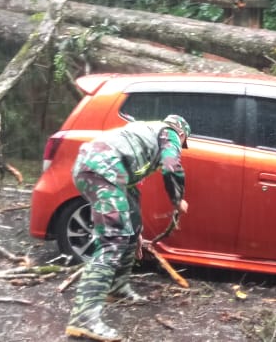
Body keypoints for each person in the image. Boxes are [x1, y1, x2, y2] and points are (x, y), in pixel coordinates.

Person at [65, 114, 191, 342]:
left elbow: (131, 191)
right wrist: (177, 199)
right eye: (182, 143)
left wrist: (136, 230)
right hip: (102, 171)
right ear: (181, 134)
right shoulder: (169, 132)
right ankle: (83, 318)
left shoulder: (144, 135)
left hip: (97, 170)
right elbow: (172, 167)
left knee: (127, 234)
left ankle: (116, 287)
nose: (179, 146)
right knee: (112, 242)